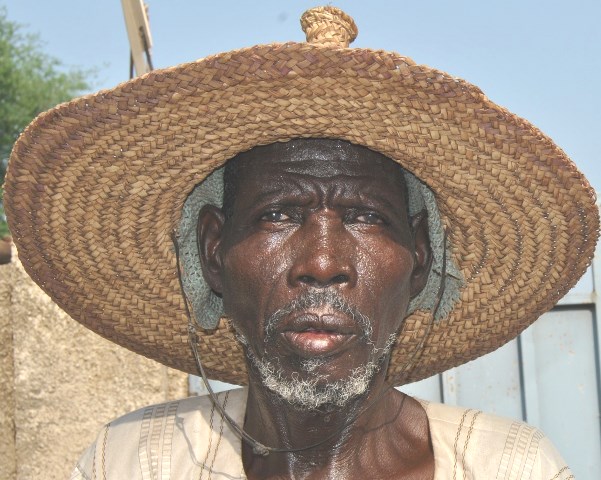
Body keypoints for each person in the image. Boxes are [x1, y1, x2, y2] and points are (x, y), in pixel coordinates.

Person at [4, 6, 598, 480]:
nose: (321, 264)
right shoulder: (128, 464)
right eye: (277, 214)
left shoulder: (512, 468)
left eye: (366, 217)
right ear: (213, 253)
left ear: (420, 260)